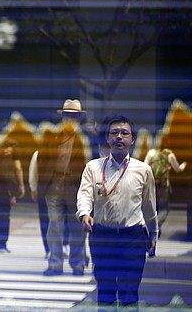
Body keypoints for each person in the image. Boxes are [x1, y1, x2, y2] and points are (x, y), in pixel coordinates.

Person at [77, 114, 158, 309]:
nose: (119, 137)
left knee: (129, 292)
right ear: (107, 138)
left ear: (132, 139)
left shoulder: (143, 170)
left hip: (133, 237)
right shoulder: (93, 167)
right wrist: (85, 214)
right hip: (102, 236)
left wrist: (153, 233)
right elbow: (85, 195)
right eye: (114, 133)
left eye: (124, 133)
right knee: (105, 291)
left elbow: (149, 206)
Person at [39, 99, 90, 276]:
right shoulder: (52, 135)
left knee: (77, 227)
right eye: (68, 115)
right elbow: (41, 160)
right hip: (54, 185)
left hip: (76, 186)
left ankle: (77, 264)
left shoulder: (84, 137)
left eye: (74, 115)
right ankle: (55, 264)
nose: (70, 118)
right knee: (55, 225)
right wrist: (39, 186)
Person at [145, 147, 186, 236]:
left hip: (152, 184)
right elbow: (177, 169)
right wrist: (182, 166)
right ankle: (157, 226)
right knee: (164, 208)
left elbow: (144, 168)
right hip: (162, 185)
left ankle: (150, 226)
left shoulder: (151, 153)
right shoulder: (170, 155)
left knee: (152, 207)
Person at [0, 138, 24, 253]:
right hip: (6, 187)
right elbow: (18, 168)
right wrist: (20, 186)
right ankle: (2, 244)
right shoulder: (13, 149)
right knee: (4, 215)